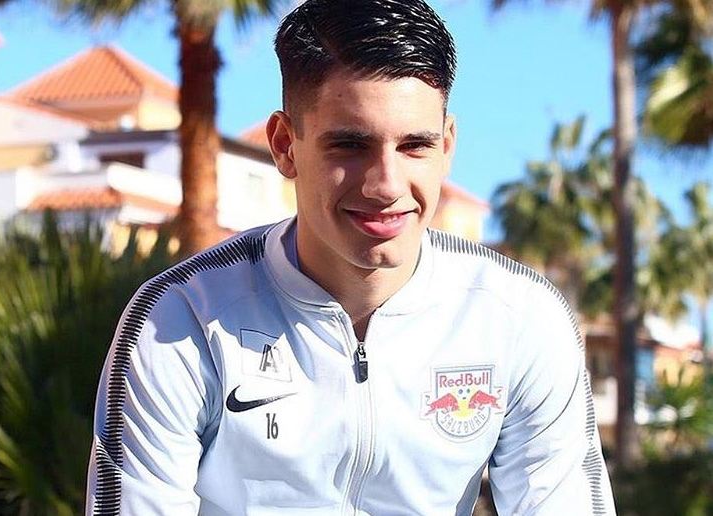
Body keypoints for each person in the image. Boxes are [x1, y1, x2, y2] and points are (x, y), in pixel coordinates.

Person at [85, 0, 616, 514]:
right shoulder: (179, 318)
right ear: (285, 146)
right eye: (350, 145)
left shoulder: (519, 317)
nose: (386, 185)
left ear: (447, 146)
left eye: (415, 146)